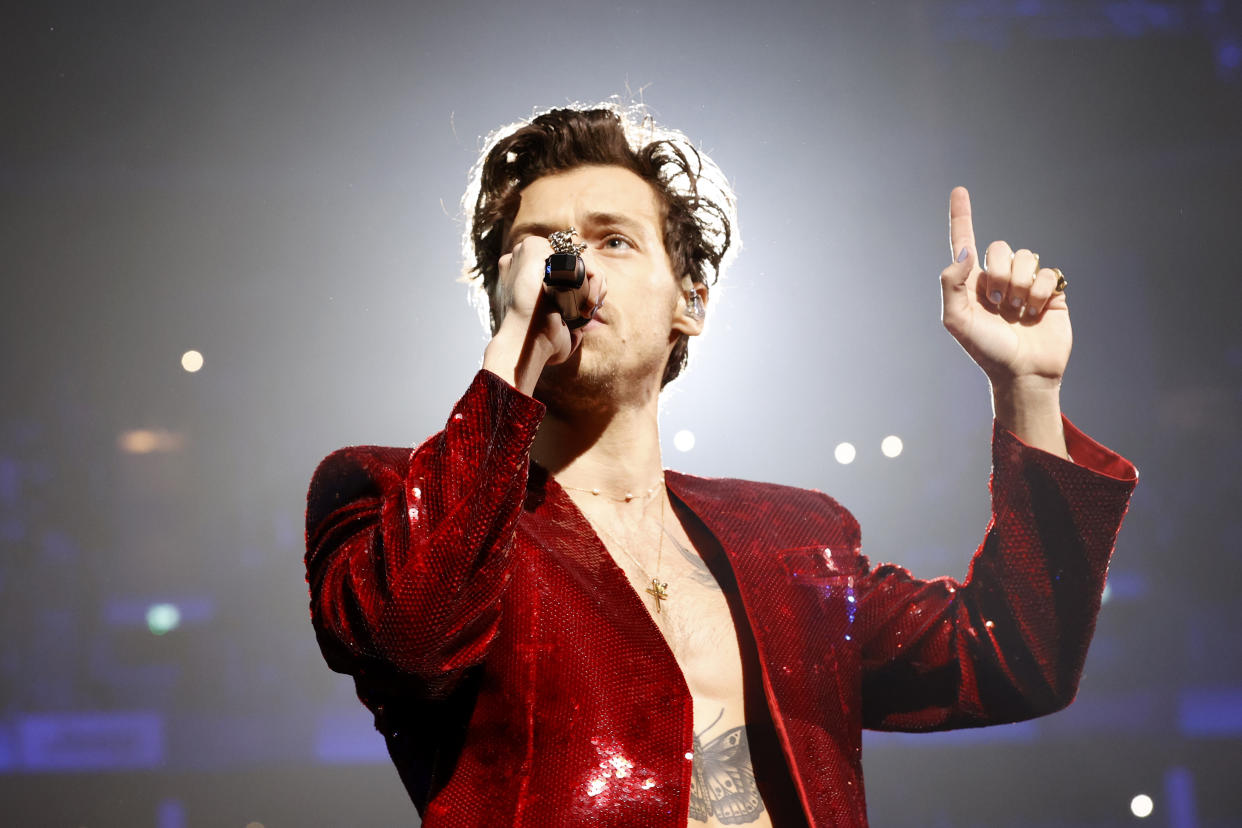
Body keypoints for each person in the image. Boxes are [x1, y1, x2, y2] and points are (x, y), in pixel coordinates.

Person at [304, 103, 1137, 827]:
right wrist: (509, 371)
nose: (574, 268)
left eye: (614, 241)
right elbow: (414, 640)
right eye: (538, 248)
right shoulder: (388, 499)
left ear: (690, 303)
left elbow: (1013, 660)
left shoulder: (793, 537)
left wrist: (1026, 390)